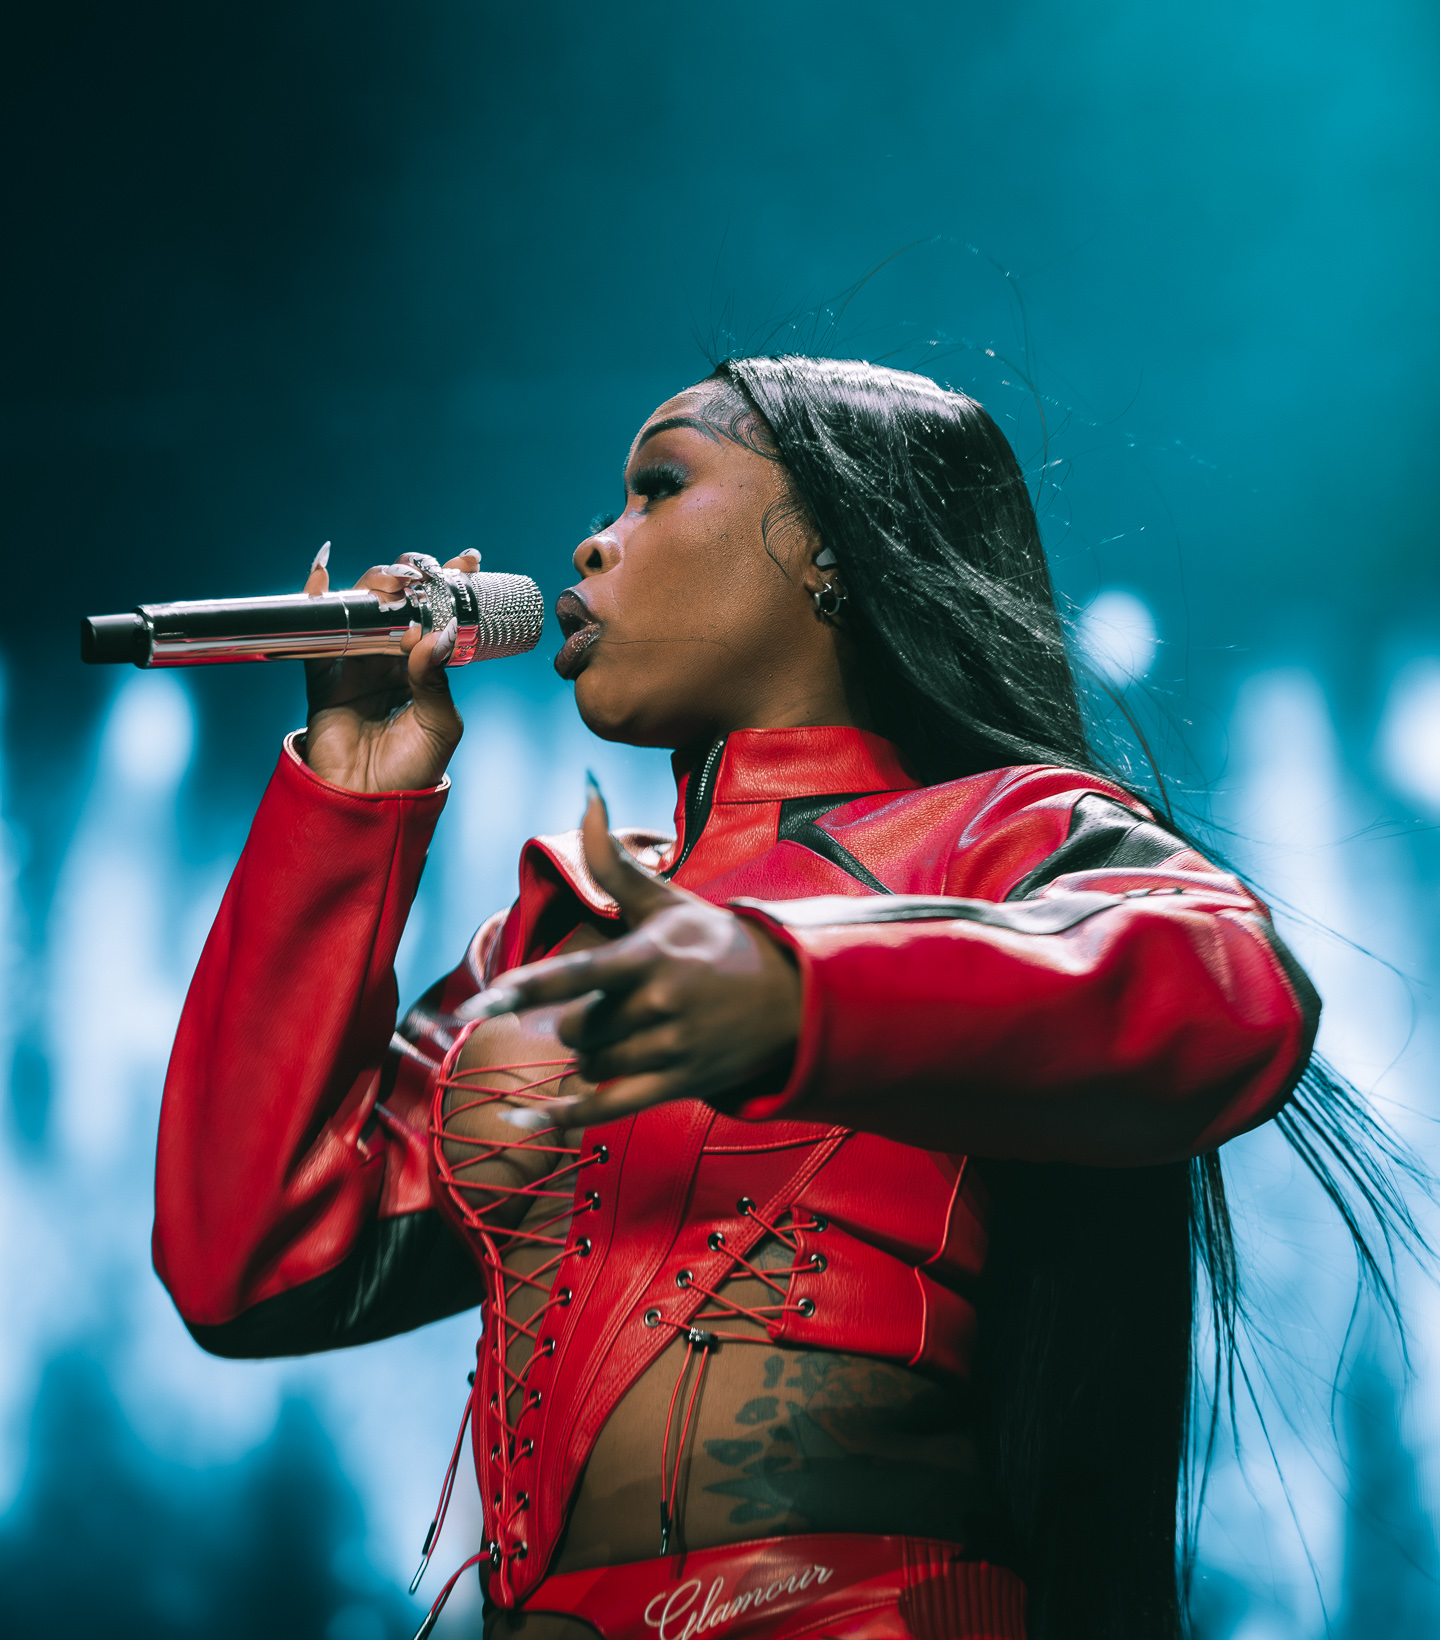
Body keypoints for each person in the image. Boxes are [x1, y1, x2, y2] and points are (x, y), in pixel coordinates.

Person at [153, 356, 1324, 1640]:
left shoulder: (1002, 830)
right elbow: (250, 1268)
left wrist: (796, 994)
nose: (592, 544)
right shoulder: (550, 935)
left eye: (659, 486)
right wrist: (349, 800)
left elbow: (1236, 992)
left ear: (831, 546)